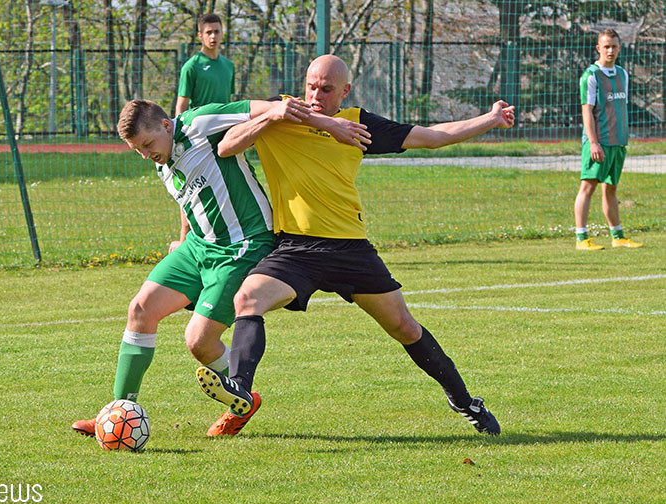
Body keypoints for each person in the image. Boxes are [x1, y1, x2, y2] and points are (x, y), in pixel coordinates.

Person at [194, 54, 515, 436]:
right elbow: (227, 146)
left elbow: (433, 137)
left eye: (326, 89)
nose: (315, 95)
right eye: (311, 85)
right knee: (248, 299)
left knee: (405, 328)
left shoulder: (358, 124)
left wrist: (491, 119)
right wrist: (273, 116)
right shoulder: (282, 114)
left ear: (344, 91)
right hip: (296, 249)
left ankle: (465, 401)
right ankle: (240, 393)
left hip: (350, 250)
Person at [72, 97, 368, 437]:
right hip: (198, 247)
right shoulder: (162, 157)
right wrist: (182, 238)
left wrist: (331, 125)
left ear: (167, 125)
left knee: (198, 341)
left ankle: (244, 399)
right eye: (137, 149)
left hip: (243, 245)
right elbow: (187, 199)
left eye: (147, 145)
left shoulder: (199, 123)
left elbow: (274, 107)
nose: (145, 155)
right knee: (140, 309)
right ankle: (118, 412)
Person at [574, 29, 642, 250]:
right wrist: (593, 142)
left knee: (611, 188)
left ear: (620, 48)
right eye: (606, 46)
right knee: (588, 186)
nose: (610, 50)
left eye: (614, 46)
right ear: (598, 48)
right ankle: (581, 238)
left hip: (618, 142)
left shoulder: (623, 74)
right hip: (598, 143)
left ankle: (618, 236)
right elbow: (587, 111)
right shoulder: (591, 76)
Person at [175, 13, 234, 117]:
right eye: (208, 32)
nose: (213, 36)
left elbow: (230, 100)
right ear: (200, 36)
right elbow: (181, 105)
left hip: (225, 126)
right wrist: (178, 131)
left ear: (222, 34)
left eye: (216, 32)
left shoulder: (229, 66)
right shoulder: (191, 66)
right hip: (199, 127)